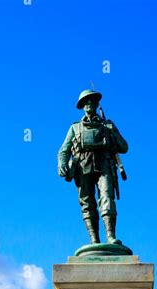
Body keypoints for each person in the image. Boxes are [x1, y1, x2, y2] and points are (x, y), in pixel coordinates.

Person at [58, 90, 128, 244]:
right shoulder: (75, 128)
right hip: (82, 165)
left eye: (92, 101)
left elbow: (124, 147)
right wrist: (62, 163)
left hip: (104, 164)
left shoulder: (107, 124)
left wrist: (112, 133)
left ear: (97, 104)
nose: (89, 104)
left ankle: (110, 236)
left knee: (107, 197)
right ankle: (94, 240)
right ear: (82, 106)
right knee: (87, 202)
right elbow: (64, 149)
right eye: (86, 102)